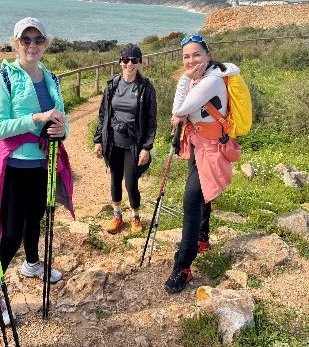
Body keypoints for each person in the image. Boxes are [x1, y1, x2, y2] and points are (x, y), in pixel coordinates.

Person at [0, 17, 74, 326]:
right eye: (26, 40)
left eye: (38, 40)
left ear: (46, 43)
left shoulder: (51, 78)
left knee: (36, 219)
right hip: (15, 167)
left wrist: (63, 129)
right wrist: (36, 117)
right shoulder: (3, 79)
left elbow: (62, 121)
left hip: (44, 164)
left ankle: (32, 264)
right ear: (16, 42)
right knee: (10, 235)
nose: (32, 45)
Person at [164, 34, 242, 293]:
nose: (190, 60)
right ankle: (202, 239)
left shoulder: (210, 81)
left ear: (208, 55)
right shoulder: (205, 78)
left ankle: (183, 268)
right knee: (201, 196)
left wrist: (185, 78)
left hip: (210, 149)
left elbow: (178, 110)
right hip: (200, 145)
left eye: (196, 54)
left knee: (191, 202)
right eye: (186, 56)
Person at [94, 44, 157, 234]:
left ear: (139, 63)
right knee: (115, 179)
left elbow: (151, 121)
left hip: (133, 144)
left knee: (130, 182)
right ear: (120, 62)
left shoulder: (146, 88)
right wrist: (98, 140)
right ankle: (117, 216)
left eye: (134, 60)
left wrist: (146, 147)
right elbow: (103, 114)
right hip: (113, 141)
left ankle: (136, 217)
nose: (129, 64)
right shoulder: (112, 85)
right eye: (125, 60)